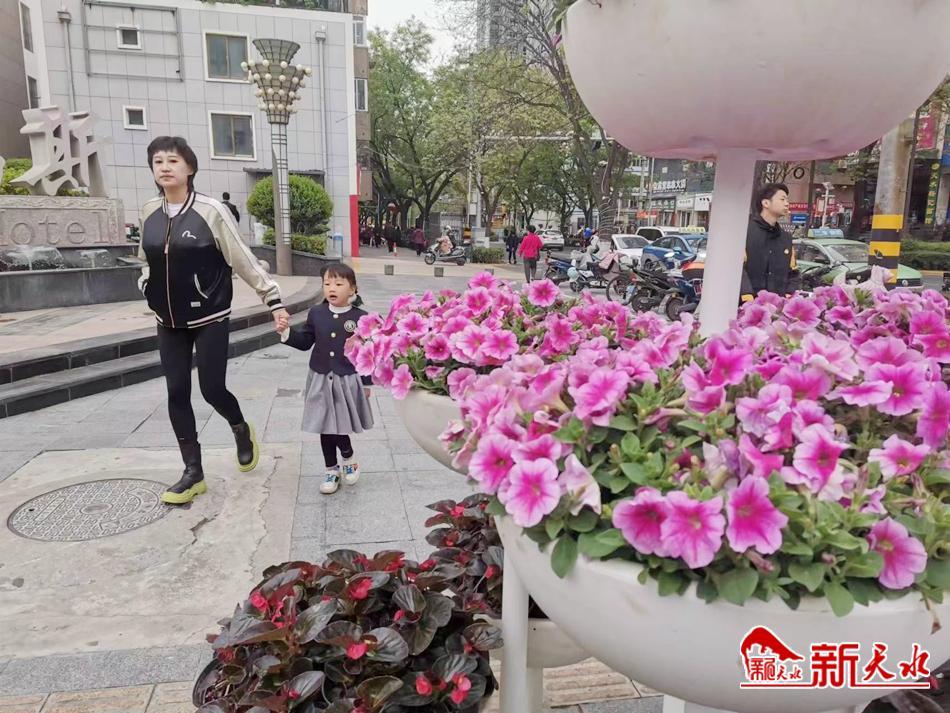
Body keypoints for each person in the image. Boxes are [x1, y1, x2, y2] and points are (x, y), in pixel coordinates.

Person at [138, 136, 290, 505]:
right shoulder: (149, 212)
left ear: (190, 168)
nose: (165, 167)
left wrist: (273, 300)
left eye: (173, 160)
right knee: (176, 392)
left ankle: (240, 428)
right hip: (167, 320)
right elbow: (145, 259)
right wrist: (146, 285)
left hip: (210, 315)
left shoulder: (210, 211)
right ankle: (193, 472)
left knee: (211, 389)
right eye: (158, 161)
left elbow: (242, 258)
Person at [278, 264, 374, 495]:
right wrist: (286, 332)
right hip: (320, 376)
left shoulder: (361, 318)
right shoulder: (316, 313)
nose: (332, 288)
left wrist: (366, 381)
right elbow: (306, 342)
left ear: (353, 289)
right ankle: (331, 470)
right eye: (327, 283)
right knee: (324, 425)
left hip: (345, 378)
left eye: (339, 284)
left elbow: (366, 353)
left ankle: (348, 457)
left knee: (338, 423)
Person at [740, 182, 801, 302]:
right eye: (782, 199)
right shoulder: (744, 232)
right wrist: (747, 298)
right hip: (747, 306)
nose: (787, 204)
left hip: (778, 307)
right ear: (766, 203)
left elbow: (793, 273)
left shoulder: (786, 238)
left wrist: (788, 295)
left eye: (787, 200)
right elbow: (737, 269)